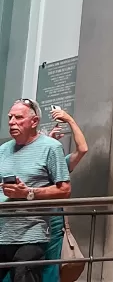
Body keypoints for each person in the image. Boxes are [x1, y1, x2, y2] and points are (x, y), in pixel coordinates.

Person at [0, 100, 70, 282]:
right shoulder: (3, 150)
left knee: (23, 275)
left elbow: (64, 190)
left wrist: (27, 193)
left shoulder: (51, 147)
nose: (12, 122)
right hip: (2, 233)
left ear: (34, 121)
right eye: (10, 117)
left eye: (18, 117)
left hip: (31, 235)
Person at [43, 108, 88, 282]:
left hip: (52, 225)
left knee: (49, 271)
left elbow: (82, 149)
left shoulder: (59, 164)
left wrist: (70, 120)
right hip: (26, 224)